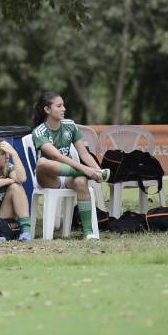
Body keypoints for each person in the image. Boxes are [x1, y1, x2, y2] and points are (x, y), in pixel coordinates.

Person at [31, 91, 108, 240]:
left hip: (69, 176)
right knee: (42, 162)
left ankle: (88, 232)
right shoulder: (39, 132)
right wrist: (86, 170)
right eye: (59, 106)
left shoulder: (70, 125)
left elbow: (84, 154)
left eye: (63, 105)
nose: (64, 109)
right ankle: (86, 172)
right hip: (48, 178)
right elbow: (56, 156)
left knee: (81, 180)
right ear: (47, 110)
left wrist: (98, 171)